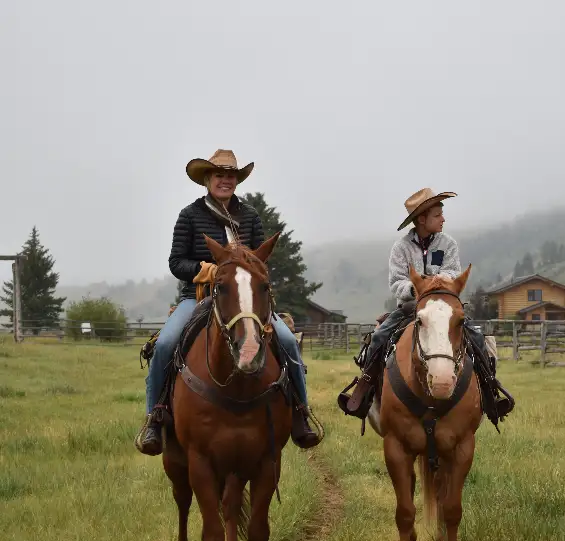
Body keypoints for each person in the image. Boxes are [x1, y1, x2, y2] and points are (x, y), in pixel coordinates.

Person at [135, 149, 321, 455]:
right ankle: (155, 417)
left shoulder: (249, 216)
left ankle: (301, 412)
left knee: (287, 340)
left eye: (231, 176)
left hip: (244, 300)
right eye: (220, 175)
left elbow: (261, 262)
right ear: (207, 179)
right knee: (166, 344)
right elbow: (175, 262)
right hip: (196, 297)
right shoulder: (189, 215)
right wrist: (205, 270)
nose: (225, 181)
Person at [338, 188, 513, 422]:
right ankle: (364, 391)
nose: (443, 219)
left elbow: (452, 272)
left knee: (477, 339)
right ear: (422, 219)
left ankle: (490, 393)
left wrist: (434, 283)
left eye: (442, 214)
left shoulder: (448, 244)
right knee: (379, 339)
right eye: (438, 215)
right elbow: (396, 281)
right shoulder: (400, 248)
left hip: (443, 306)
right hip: (411, 307)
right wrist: (414, 288)